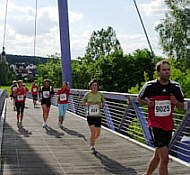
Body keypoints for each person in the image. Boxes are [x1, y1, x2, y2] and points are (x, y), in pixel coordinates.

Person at [137, 60, 184, 175]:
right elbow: (139, 98)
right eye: (164, 70)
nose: (167, 72)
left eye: (168, 69)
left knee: (158, 156)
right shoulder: (150, 86)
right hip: (155, 124)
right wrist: (148, 103)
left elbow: (181, 108)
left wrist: (176, 101)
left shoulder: (175, 87)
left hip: (168, 125)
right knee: (165, 159)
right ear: (158, 72)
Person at [82, 78, 105, 154]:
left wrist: (101, 105)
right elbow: (83, 102)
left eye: (96, 85)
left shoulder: (100, 94)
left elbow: (103, 104)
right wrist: (87, 104)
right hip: (90, 116)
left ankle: (92, 141)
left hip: (98, 116)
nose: (95, 86)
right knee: (93, 131)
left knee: (97, 134)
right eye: (93, 85)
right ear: (91, 86)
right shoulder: (87, 94)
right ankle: (92, 146)